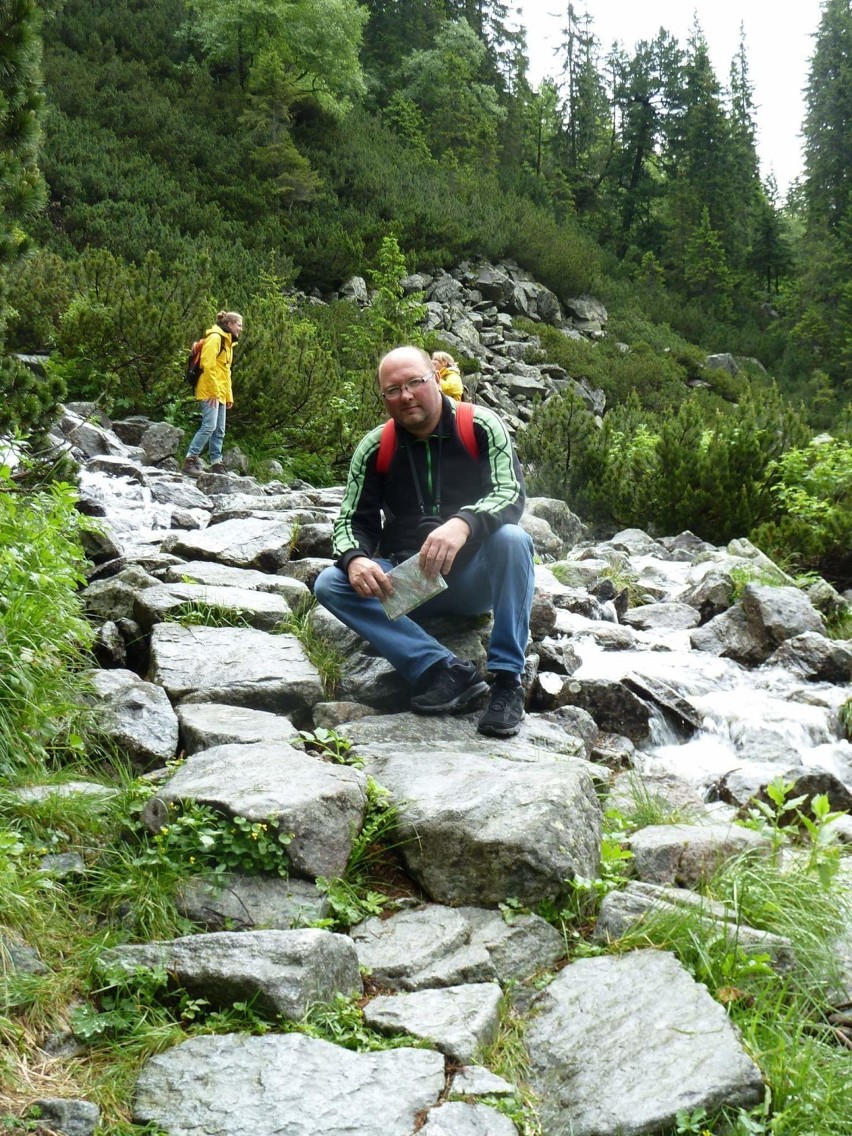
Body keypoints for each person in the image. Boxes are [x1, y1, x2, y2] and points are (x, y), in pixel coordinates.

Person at [314, 345, 534, 737]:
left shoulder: (481, 425)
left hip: (472, 579)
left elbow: (510, 494)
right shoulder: (375, 446)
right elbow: (351, 520)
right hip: (411, 581)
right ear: (384, 398)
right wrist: (356, 560)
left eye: (415, 382)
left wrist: (463, 523)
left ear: (436, 378)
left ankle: (506, 682)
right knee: (331, 582)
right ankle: (442, 669)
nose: (407, 396)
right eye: (393, 390)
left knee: (512, 540)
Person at [182, 311, 243, 475]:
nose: (241, 329)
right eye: (239, 325)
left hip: (220, 392)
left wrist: (228, 396)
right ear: (229, 324)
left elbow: (226, 371)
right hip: (210, 390)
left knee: (219, 430)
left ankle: (216, 463)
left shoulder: (229, 343)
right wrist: (214, 392)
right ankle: (190, 460)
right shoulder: (215, 338)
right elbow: (207, 365)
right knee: (209, 426)